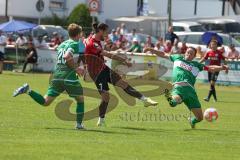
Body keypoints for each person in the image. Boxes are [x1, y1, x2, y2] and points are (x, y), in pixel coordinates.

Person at [13, 23, 85, 129]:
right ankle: (79, 125)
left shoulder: (62, 44)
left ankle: (28, 90)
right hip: (68, 76)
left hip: (56, 75)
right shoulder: (75, 44)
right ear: (78, 34)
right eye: (81, 33)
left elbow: (65, 56)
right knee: (80, 100)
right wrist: (76, 68)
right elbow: (66, 56)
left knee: (46, 102)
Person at [84, 23, 158, 126]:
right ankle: (101, 121)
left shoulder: (93, 40)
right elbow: (108, 54)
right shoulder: (92, 43)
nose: (107, 34)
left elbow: (97, 52)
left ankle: (144, 99)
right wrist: (124, 60)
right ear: (100, 30)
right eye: (106, 32)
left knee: (122, 83)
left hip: (103, 68)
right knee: (106, 97)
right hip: (96, 73)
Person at [144, 47, 229, 128]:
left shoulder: (197, 65)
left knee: (200, 118)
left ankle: (191, 121)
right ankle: (167, 93)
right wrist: (152, 50)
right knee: (172, 103)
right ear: (185, 53)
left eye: (191, 53)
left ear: (194, 56)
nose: (189, 54)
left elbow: (211, 68)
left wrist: (222, 67)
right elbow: (163, 54)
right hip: (179, 87)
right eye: (188, 52)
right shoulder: (177, 58)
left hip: (191, 92)